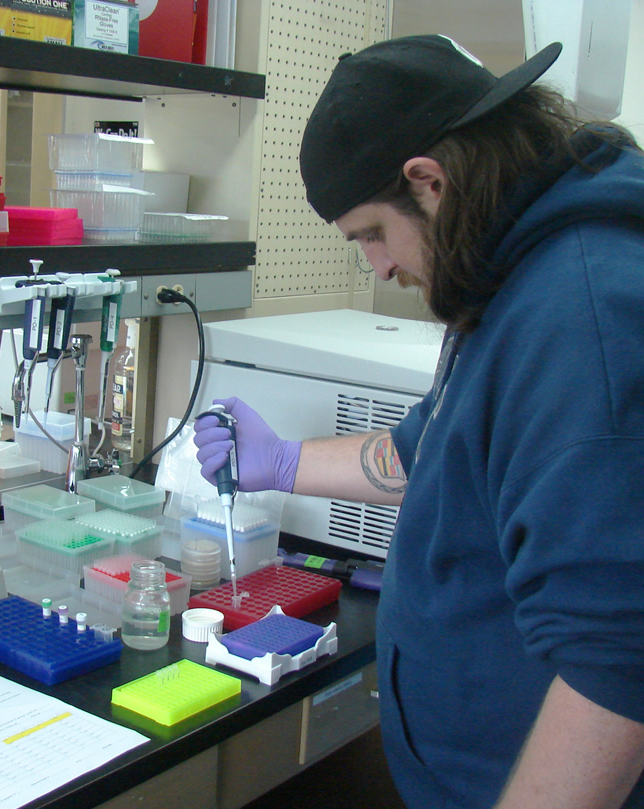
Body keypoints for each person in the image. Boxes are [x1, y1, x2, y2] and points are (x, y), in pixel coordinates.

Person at [193, 34, 644, 809]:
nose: (379, 266)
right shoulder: (512, 273)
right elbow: (433, 451)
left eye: (369, 232)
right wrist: (282, 462)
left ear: (428, 181)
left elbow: (618, 662)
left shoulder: (580, 314)